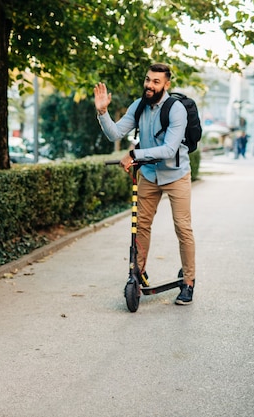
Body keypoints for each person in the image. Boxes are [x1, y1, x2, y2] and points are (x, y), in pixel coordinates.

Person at [93, 63, 196, 305]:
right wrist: (102, 112)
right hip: (149, 174)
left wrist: (134, 155)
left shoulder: (176, 109)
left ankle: (189, 281)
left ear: (166, 84)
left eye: (156, 81)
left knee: (183, 227)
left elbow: (170, 149)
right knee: (141, 226)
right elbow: (115, 133)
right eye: (148, 79)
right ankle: (137, 274)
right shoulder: (139, 106)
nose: (150, 85)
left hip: (176, 175)